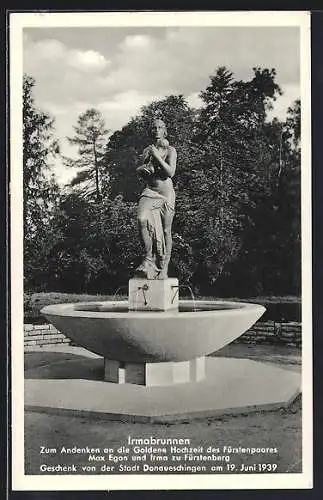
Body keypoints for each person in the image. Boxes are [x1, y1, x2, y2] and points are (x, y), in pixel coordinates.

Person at [134, 117, 177, 279]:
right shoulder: (147, 150)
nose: (156, 130)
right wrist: (143, 170)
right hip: (150, 192)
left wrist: (157, 156)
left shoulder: (170, 150)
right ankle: (147, 259)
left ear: (164, 131)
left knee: (166, 230)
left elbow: (170, 172)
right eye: (154, 128)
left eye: (160, 127)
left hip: (166, 194)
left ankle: (164, 266)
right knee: (141, 219)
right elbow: (140, 169)